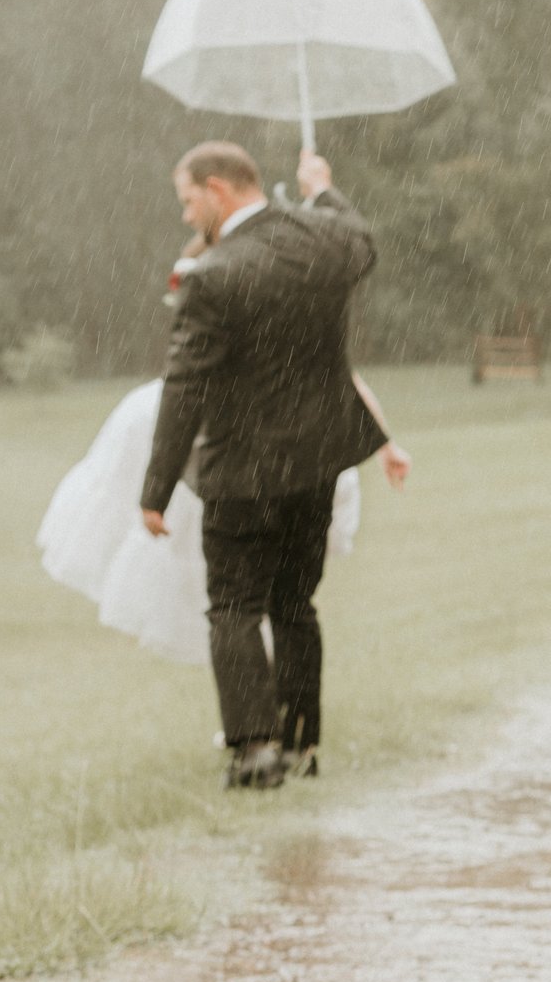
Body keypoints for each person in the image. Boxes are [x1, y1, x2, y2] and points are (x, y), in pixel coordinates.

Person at [143, 141, 396, 789]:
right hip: (318, 462)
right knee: (295, 603)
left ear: (220, 190)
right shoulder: (327, 242)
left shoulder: (215, 274)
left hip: (243, 470)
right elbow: (363, 238)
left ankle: (256, 749)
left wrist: (157, 488)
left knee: (232, 604)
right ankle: (302, 744)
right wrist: (322, 188)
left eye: (189, 199)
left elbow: (185, 386)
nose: (186, 213)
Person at [36, 238, 408, 671]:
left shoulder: (273, 306)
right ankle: (259, 716)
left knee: (265, 593)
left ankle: (267, 715)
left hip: (264, 454)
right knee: (236, 590)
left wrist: (384, 443)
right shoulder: (226, 303)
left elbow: (339, 377)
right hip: (225, 448)